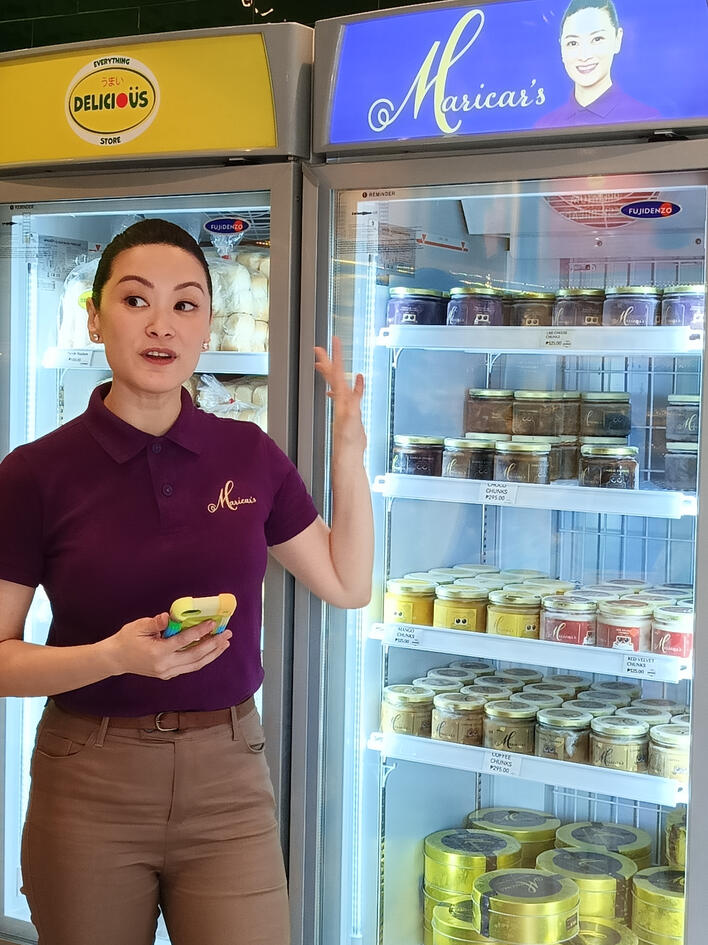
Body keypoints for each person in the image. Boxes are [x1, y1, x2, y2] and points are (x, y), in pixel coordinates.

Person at [0, 219, 374, 945]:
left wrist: (350, 448)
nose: (161, 324)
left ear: (207, 326)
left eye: (186, 303)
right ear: (95, 318)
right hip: (90, 778)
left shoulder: (248, 452)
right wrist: (114, 655)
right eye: (136, 300)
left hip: (229, 775)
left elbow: (345, 582)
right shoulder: (34, 473)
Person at [536, 0, 661, 128]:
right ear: (561, 47)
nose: (584, 56)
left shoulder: (647, 119)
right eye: (573, 43)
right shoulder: (545, 125)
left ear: (618, 39)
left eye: (597, 39)